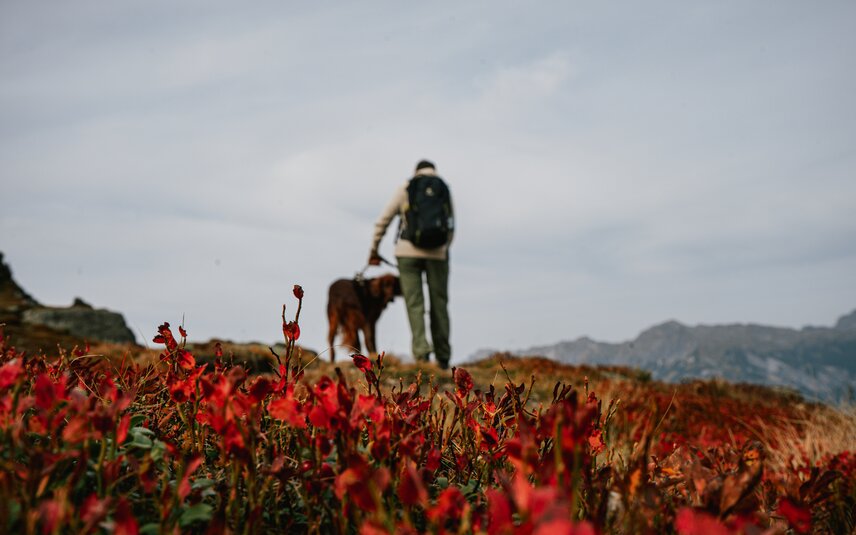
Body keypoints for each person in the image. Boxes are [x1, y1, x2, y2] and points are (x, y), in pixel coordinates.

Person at [369, 159, 454, 369]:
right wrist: (444, 249)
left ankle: (422, 354)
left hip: (407, 253)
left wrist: (374, 249)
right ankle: (443, 358)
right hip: (438, 254)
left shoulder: (406, 188)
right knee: (439, 303)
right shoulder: (443, 189)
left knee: (415, 304)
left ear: (416, 171)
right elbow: (451, 224)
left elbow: (383, 221)